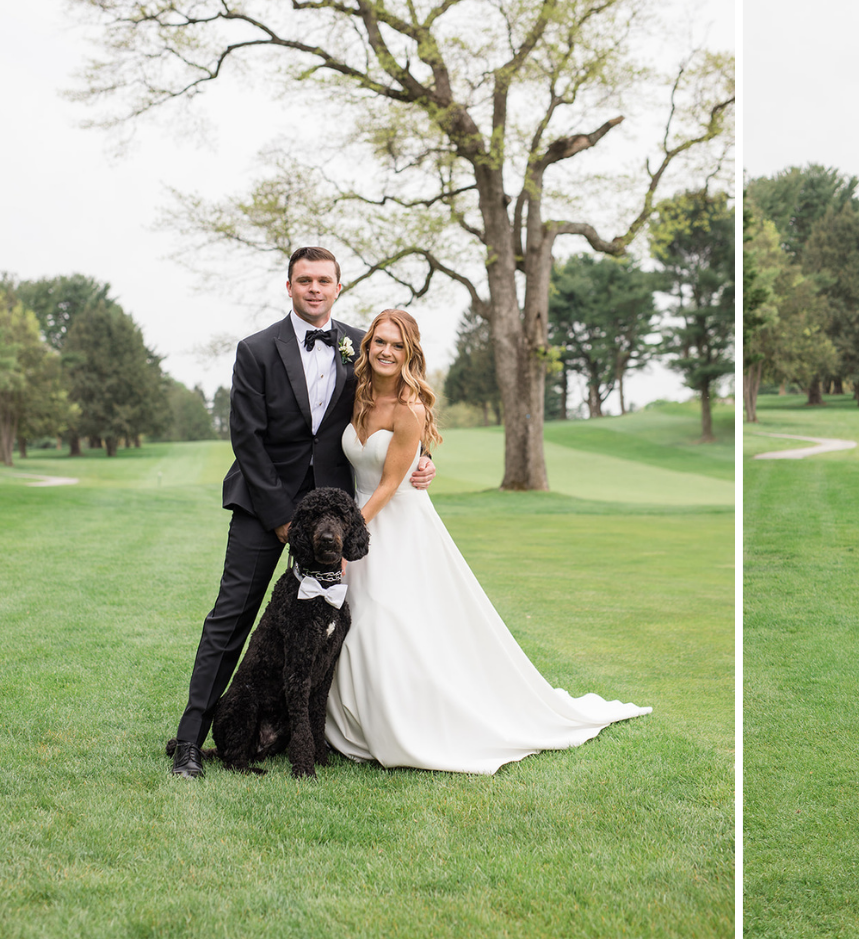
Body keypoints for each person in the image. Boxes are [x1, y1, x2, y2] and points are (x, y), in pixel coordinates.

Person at [323, 309, 650, 773]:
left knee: (388, 619)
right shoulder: (357, 396)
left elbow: (390, 484)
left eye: (398, 345)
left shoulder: (410, 409)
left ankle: (406, 725)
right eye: (380, 342)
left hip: (394, 523)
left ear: (410, 352)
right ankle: (353, 723)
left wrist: (346, 539)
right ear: (368, 344)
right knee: (361, 621)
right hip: (360, 515)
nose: (387, 352)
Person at [171, 247, 435, 778]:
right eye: (304, 280)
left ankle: (326, 735)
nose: (315, 289)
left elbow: (399, 403)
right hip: (262, 508)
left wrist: (423, 459)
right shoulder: (256, 350)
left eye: (324, 281)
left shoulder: (363, 344)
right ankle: (189, 743)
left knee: (339, 627)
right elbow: (246, 439)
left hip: (333, 522)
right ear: (288, 286)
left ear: (339, 287)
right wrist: (282, 520)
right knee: (231, 621)